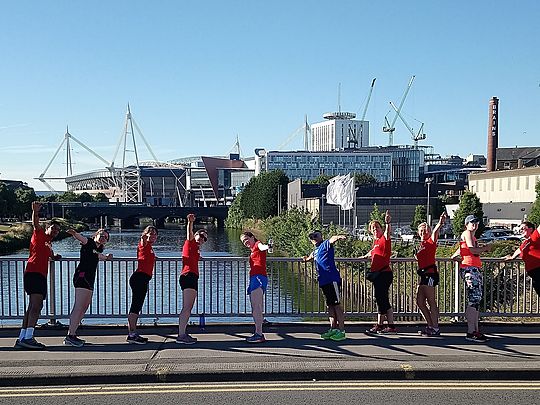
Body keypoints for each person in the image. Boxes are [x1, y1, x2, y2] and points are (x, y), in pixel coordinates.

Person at [15, 202, 61, 350]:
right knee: (37, 306)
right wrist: (35, 211)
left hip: (39, 275)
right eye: (53, 228)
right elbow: (35, 224)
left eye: (58, 230)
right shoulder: (39, 234)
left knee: (31, 307)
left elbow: (50, 255)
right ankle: (28, 338)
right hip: (34, 273)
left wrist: (55, 257)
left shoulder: (48, 243)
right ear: (47, 228)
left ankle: (22, 337)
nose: (55, 231)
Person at [64, 228, 112, 347]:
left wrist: (106, 258)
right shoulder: (89, 242)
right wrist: (74, 233)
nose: (103, 238)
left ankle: (73, 333)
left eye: (105, 237)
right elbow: (81, 238)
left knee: (85, 306)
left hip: (90, 279)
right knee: (79, 306)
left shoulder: (98, 248)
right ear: (96, 235)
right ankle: (70, 335)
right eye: (101, 235)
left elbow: (97, 256)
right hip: (82, 276)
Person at [450, 215, 491, 343]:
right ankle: (471, 331)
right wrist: (485, 248)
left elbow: (457, 253)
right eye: (472, 222)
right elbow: (473, 250)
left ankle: (475, 329)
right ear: (466, 224)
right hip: (470, 269)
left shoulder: (471, 237)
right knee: (474, 299)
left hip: (472, 268)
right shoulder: (467, 233)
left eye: (476, 222)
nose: (475, 224)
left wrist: (460, 258)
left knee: (475, 300)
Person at [303, 230, 347, 341]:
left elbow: (332, 239)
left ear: (321, 236)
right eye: (312, 237)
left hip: (332, 279)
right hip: (324, 281)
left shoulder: (325, 244)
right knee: (330, 306)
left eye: (316, 235)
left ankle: (341, 331)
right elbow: (311, 257)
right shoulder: (316, 250)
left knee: (337, 305)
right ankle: (333, 329)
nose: (314, 238)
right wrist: (306, 259)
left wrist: (339, 237)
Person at [363, 210, 396, 334]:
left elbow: (388, 233)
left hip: (384, 274)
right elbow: (372, 252)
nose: (375, 229)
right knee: (380, 299)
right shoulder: (375, 242)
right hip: (378, 275)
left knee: (382, 300)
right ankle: (381, 325)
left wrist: (388, 223)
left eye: (377, 227)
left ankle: (389, 326)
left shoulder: (384, 238)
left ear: (381, 229)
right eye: (373, 228)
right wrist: (364, 256)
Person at [414, 212, 447, 337]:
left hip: (430, 275)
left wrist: (440, 222)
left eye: (425, 230)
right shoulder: (420, 245)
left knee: (431, 301)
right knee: (420, 301)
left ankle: (435, 327)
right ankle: (430, 325)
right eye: (421, 231)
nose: (423, 232)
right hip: (423, 275)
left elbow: (436, 232)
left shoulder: (430, 241)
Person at [177, 214, 207, 345]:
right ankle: (181, 335)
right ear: (196, 235)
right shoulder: (190, 243)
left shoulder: (195, 248)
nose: (202, 239)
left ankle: (183, 333)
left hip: (191, 277)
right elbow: (189, 233)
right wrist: (190, 222)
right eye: (201, 236)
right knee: (187, 307)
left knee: (188, 307)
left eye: (205, 239)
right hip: (188, 276)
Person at [127, 225, 158, 344]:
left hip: (143, 279)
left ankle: (133, 333)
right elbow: (143, 238)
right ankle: (132, 334)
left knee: (137, 306)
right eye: (151, 233)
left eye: (155, 234)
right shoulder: (144, 243)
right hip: (139, 278)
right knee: (135, 306)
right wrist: (146, 235)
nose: (153, 236)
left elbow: (146, 257)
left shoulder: (149, 247)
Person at [240, 231, 271, 343]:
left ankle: (259, 334)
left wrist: (268, 246)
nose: (245, 242)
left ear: (252, 237)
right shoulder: (253, 250)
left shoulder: (258, 244)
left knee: (256, 306)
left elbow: (263, 247)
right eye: (243, 241)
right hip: (256, 277)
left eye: (246, 239)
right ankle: (259, 329)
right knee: (256, 306)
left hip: (258, 277)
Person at [503, 221, 540, 297]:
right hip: (534, 274)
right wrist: (512, 257)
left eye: (523, 228)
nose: (521, 230)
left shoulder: (535, 236)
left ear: (530, 229)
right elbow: (519, 250)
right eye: (520, 229)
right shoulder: (525, 243)